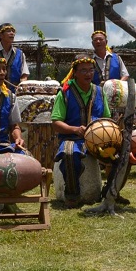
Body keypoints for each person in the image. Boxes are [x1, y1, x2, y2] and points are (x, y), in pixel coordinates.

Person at [51, 55, 111, 208]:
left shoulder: (99, 91)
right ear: (75, 72)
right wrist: (75, 129)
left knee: (120, 152)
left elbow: (107, 119)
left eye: (91, 70)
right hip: (72, 138)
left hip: (98, 138)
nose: (88, 74)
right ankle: (72, 193)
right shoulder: (64, 92)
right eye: (83, 70)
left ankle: (112, 191)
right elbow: (56, 122)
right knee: (69, 153)